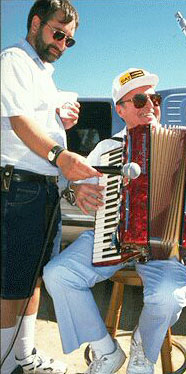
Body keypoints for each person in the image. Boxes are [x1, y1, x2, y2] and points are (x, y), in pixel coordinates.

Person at [43, 68, 186, 374]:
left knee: (168, 299)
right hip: (111, 238)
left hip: (165, 247)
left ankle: (144, 348)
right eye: (140, 99)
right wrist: (77, 191)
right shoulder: (107, 149)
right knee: (57, 275)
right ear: (120, 109)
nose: (150, 106)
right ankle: (106, 350)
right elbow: (73, 187)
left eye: (154, 98)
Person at [0, 2, 102, 374]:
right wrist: (61, 155)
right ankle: (5, 363)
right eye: (57, 33)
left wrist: (60, 117)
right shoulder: (13, 59)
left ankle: (23, 356)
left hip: (44, 188)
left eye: (69, 40)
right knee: (11, 283)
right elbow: (19, 120)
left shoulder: (44, 72)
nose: (62, 43)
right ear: (35, 22)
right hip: (19, 188)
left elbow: (37, 117)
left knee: (35, 276)